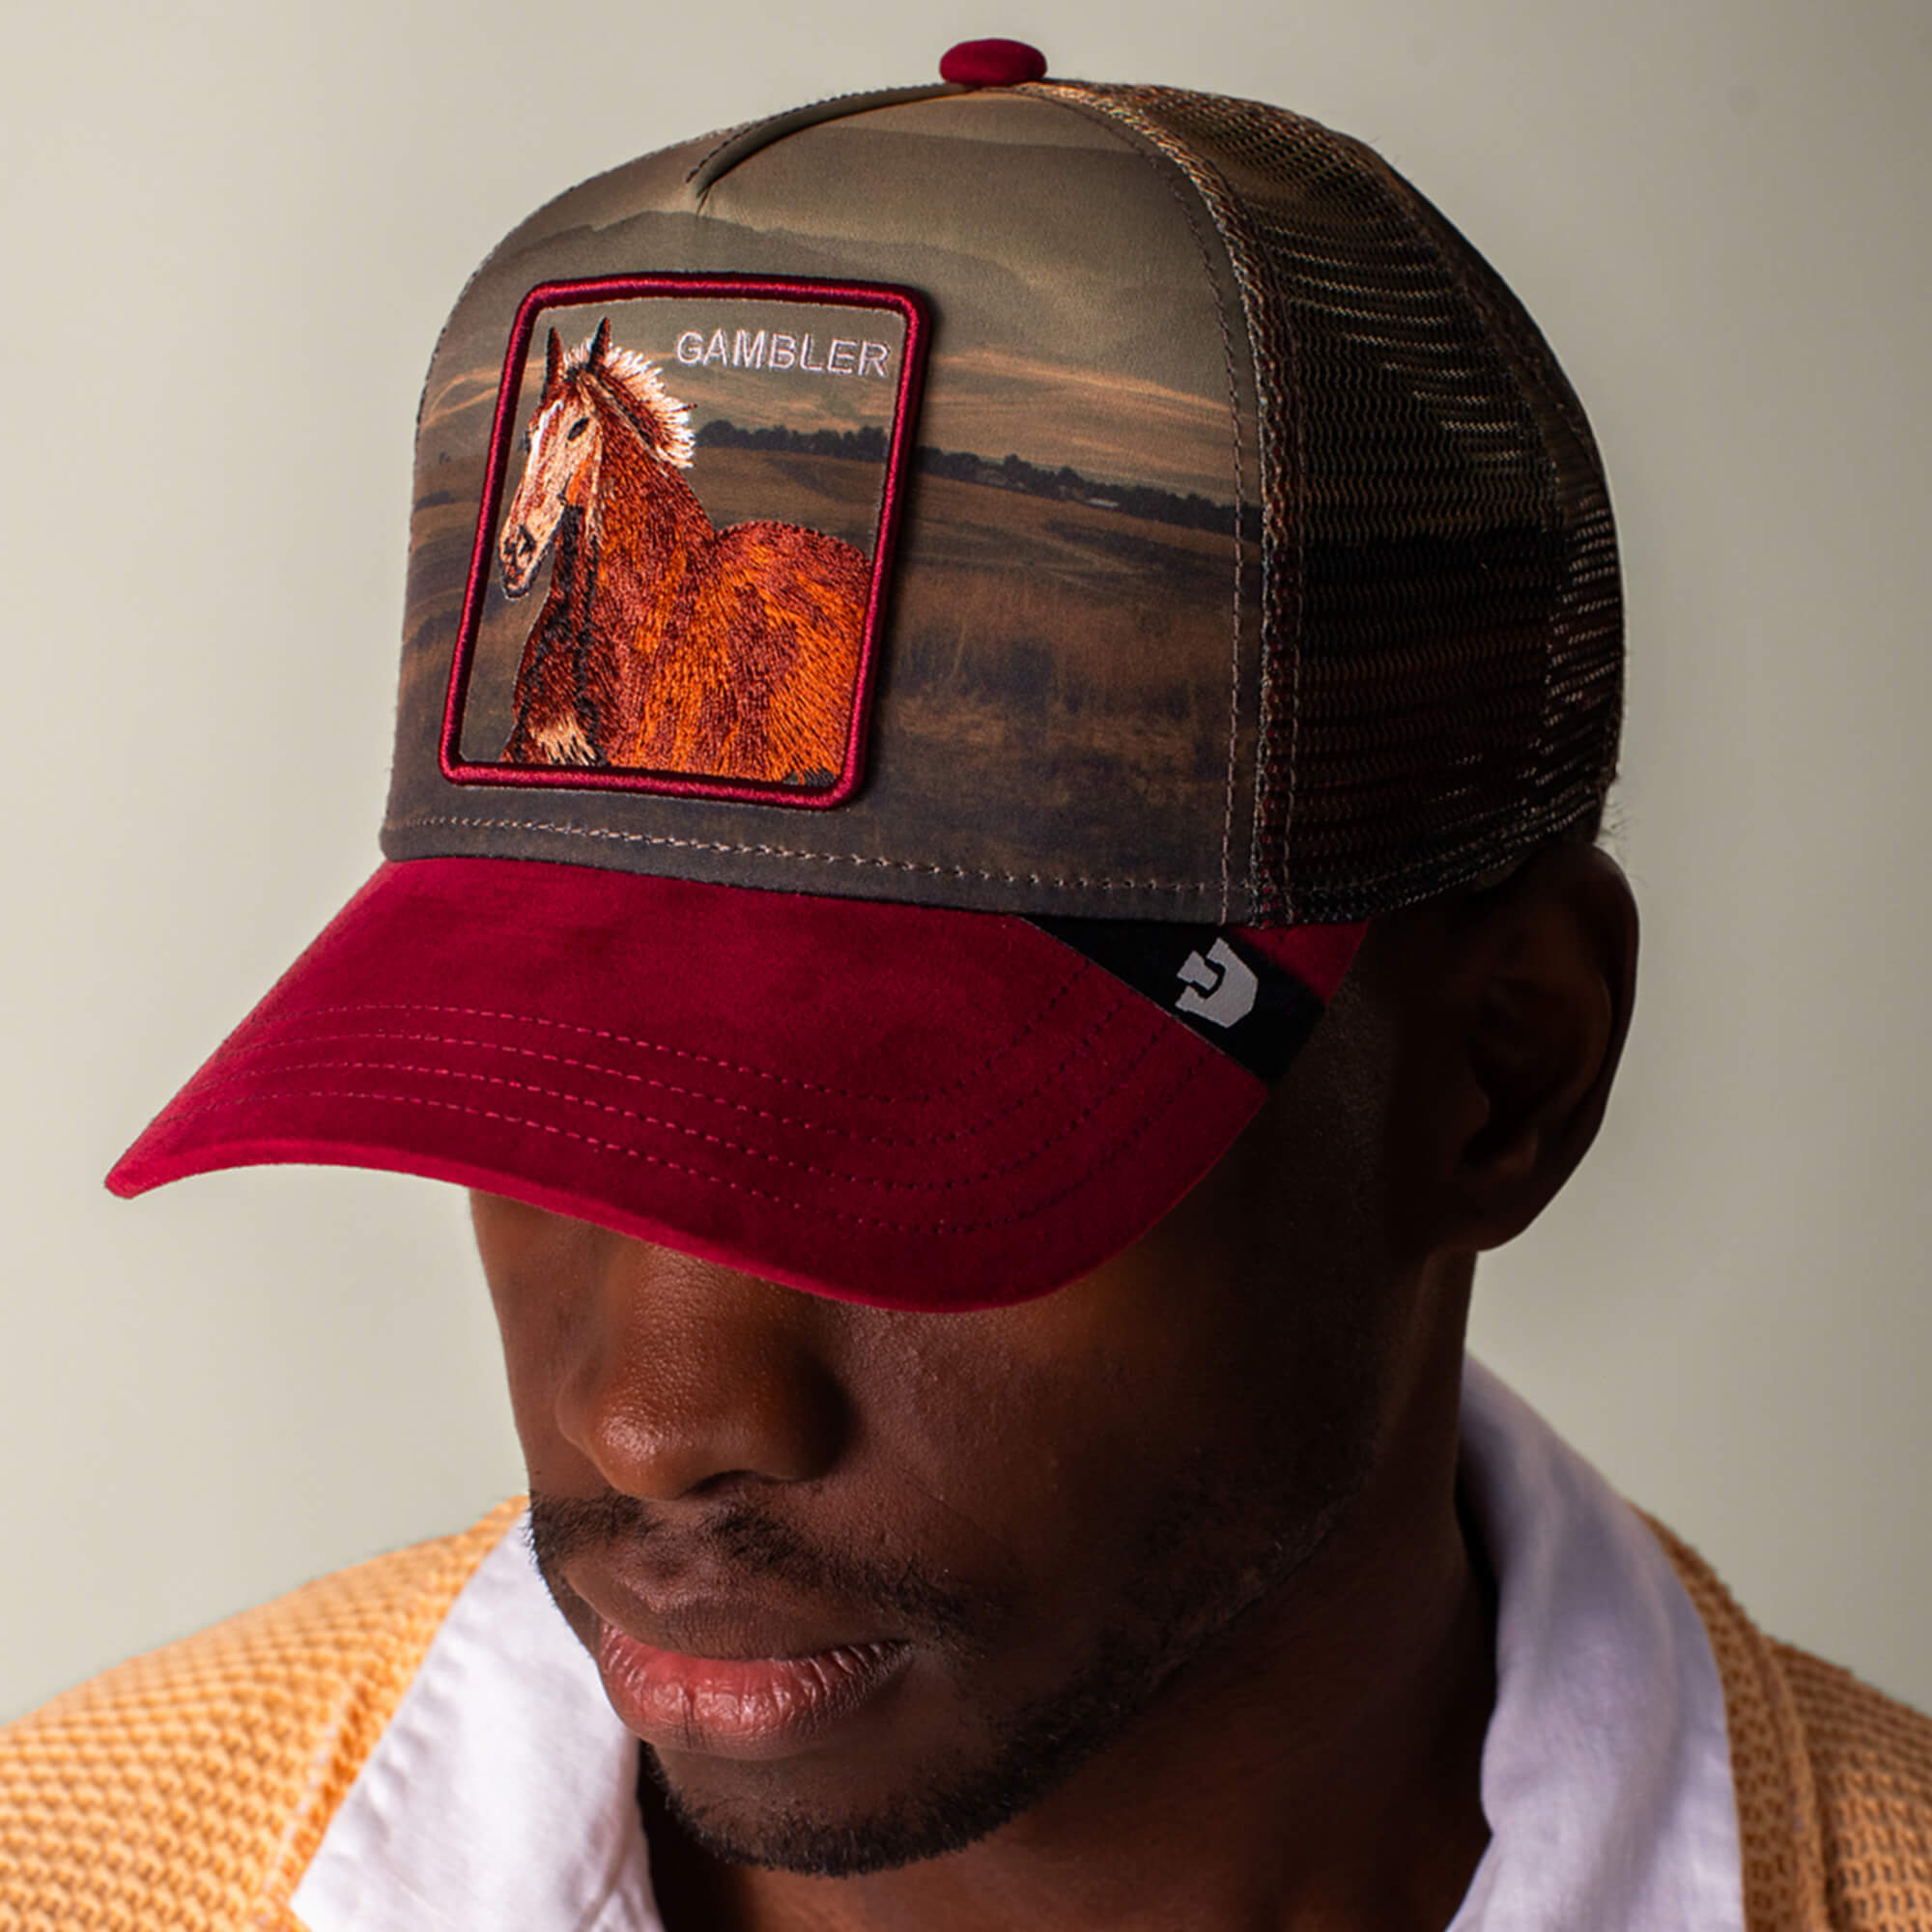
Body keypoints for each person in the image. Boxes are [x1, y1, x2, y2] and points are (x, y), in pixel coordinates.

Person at [4, 37, 1928, 1932]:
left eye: (896, 1145)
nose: (657, 1418)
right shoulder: (77, 1872)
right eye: (552, 1110)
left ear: (1503, 1073)